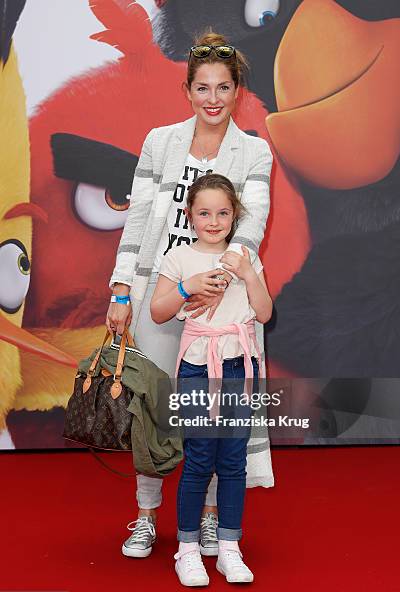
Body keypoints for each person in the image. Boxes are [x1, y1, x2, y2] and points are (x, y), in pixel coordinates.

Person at [107, 31, 273, 559]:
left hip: (225, 304)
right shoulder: (161, 142)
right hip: (162, 290)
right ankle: (146, 515)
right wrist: (120, 286)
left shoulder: (255, 152)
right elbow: (136, 219)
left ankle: (206, 521)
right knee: (155, 411)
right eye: (202, 88)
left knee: (217, 418)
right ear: (187, 91)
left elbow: (254, 222)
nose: (213, 99)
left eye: (224, 88)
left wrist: (217, 282)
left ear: (238, 91)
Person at [151, 173, 273, 586]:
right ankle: (187, 549)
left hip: (239, 366)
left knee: (233, 462)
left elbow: (265, 313)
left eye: (223, 213)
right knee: (200, 459)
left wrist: (248, 273)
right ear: (189, 216)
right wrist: (189, 285)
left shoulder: (244, 258)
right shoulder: (180, 258)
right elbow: (158, 311)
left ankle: (229, 548)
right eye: (204, 212)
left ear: (234, 215)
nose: (214, 221)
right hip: (197, 370)